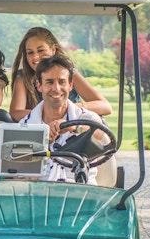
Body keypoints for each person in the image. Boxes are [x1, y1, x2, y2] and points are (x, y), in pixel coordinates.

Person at [20, 55, 107, 185]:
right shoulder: (25, 126)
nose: (56, 88)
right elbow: (18, 168)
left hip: (81, 190)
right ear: (39, 85)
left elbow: (99, 132)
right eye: (49, 82)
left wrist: (73, 127)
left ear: (70, 85)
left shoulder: (85, 117)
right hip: (42, 192)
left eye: (62, 82)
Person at [9, 26, 111, 122]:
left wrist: (68, 109)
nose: (35, 57)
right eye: (30, 53)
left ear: (53, 49)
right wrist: (48, 115)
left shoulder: (69, 72)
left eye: (41, 50)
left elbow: (105, 106)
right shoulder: (23, 78)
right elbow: (16, 112)